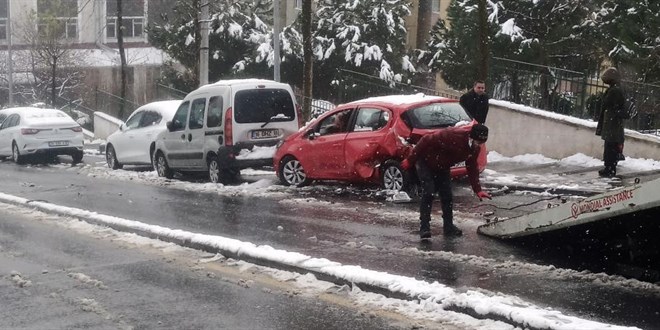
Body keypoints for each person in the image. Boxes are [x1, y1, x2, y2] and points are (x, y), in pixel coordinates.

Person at [400, 124, 492, 239]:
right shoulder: (452, 136)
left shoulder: (474, 149)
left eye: (481, 143)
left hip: (442, 166)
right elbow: (426, 139)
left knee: (447, 196)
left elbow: (472, 166)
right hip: (425, 161)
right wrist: (410, 160)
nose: (479, 145)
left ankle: (448, 227)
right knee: (428, 192)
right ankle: (424, 228)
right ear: (471, 137)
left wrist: (478, 190)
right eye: (477, 142)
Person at [595, 67, 626, 178]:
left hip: (613, 124)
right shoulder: (616, 88)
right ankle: (609, 167)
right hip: (612, 124)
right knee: (610, 146)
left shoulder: (615, 90)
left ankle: (610, 168)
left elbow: (609, 103)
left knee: (610, 147)